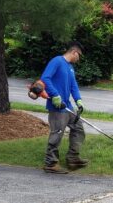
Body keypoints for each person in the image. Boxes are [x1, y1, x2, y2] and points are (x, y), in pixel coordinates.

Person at [41, 41, 88, 174]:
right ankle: (50, 164)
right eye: (79, 55)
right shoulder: (57, 61)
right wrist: (55, 95)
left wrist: (78, 100)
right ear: (74, 52)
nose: (79, 58)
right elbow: (45, 78)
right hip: (57, 107)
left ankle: (73, 158)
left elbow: (73, 85)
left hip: (67, 107)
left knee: (78, 129)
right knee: (57, 134)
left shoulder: (70, 67)